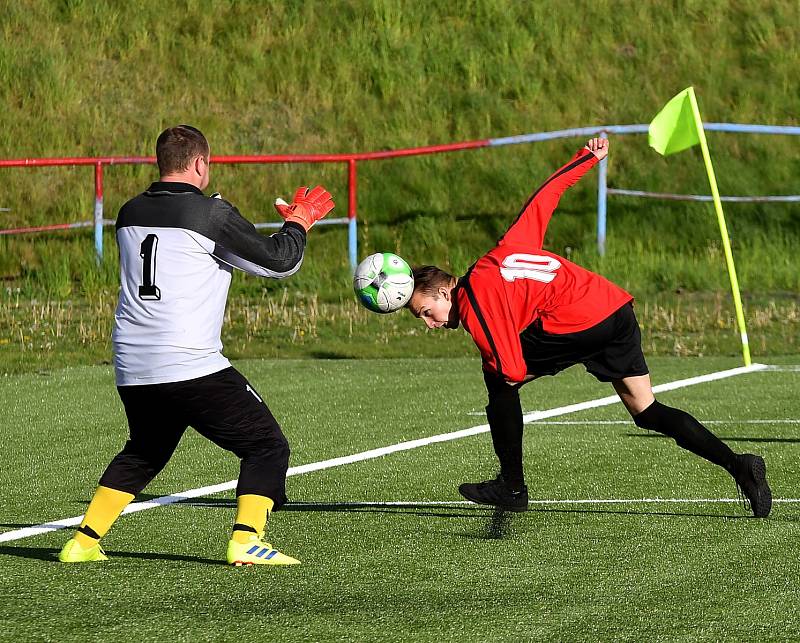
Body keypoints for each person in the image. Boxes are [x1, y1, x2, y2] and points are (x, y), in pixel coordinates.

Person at [406, 138, 772, 518]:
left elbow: (512, 369)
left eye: (425, 311)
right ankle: (740, 466)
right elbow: (543, 200)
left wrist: (503, 367)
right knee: (646, 409)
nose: (430, 323)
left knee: (499, 382)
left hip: (576, 322)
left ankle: (512, 487)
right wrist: (587, 158)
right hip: (614, 310)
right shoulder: (503, 249)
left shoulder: (473, 302)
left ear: (446, 289)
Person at [58, 125, 334, 566]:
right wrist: (298, 222)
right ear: (201, 164)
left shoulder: (128, 213)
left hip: (132, 364)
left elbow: (198, 249)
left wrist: (244, 233)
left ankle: (84, 542)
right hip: (188, 364)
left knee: (146, 449)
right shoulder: (212, 214)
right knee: (266, 445)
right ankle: (246, 540)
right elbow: (279, 263)